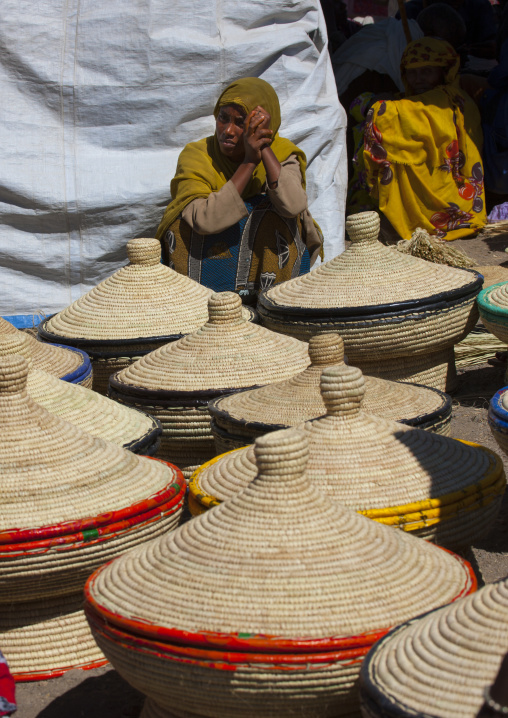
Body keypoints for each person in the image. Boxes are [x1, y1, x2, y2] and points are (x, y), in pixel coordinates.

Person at [155, 78, 322, 300]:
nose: (228, 131)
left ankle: (273, 305)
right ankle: (196, 308)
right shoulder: (197, 155)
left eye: (241, 122)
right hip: (207, 264)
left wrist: (263, 149)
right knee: (182, 223)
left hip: (262, 268)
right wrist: (249, 163)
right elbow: (205, 219)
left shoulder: (281, 153)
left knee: (279, 217)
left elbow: (293, 205)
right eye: (223, 119)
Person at [351, 38, 486, 240]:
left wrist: (377, 105)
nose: (418, 78)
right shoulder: (411, 100)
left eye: (426, 71)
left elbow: (384, 111)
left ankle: (415, 214)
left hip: (447, 187)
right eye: (412, 73)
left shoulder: (446, 98)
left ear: (443, 71)